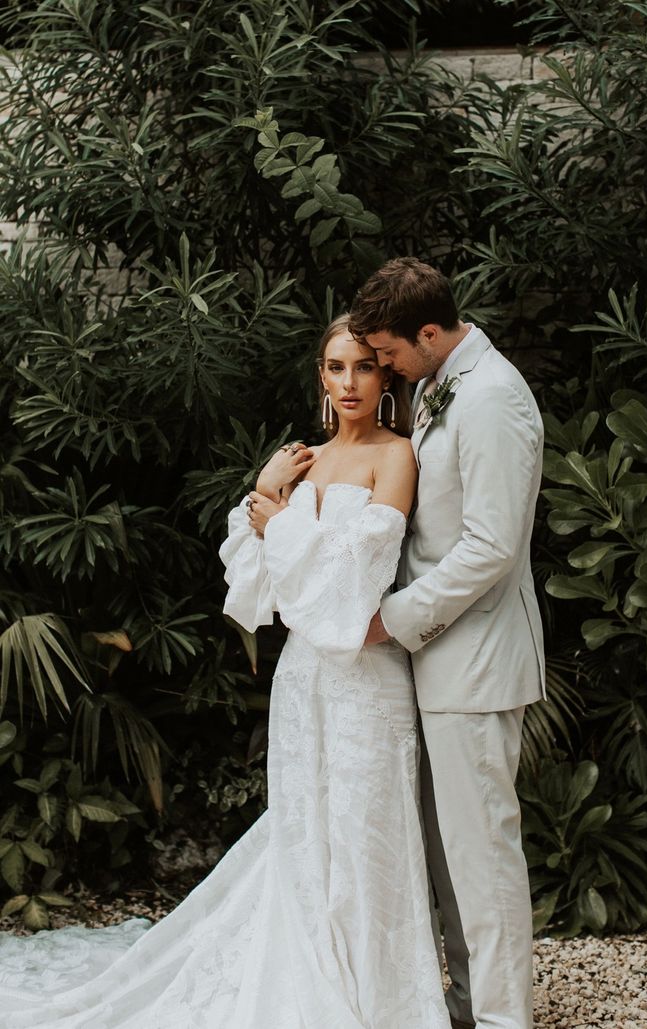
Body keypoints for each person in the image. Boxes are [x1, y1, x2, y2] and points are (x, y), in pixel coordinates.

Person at [0, 314, 451, 1029]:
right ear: (320, 378)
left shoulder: (397, 456)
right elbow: (257, 582)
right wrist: (262, 492)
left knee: (369, 831)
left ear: (385, 374)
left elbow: (356, 576)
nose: (349, 382)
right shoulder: (300, 461)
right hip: (305, 675)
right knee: (305, 829)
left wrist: (279, 524)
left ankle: (379, 999)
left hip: (369, 674)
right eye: (336, 368)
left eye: (364, 366)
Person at [348, 258, 546, 1029]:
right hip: (437, 661)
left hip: (478, 661)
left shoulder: (494, 397)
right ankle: (466, 1007)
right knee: (446, 859)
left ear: (429, 333)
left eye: (389, 353)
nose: (382, 368)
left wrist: (393, 617)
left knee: (481, 856)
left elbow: (491, 545)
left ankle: (503, 1019)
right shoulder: (437, 383)